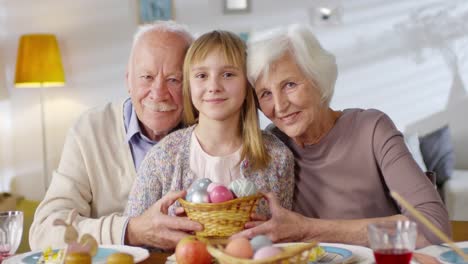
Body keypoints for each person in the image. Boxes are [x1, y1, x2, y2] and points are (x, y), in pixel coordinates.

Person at [235, 24, 450, 247]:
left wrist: (307, 229)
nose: (280, 106)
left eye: (289, 85)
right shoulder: (272, 147)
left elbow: (432, 228)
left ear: (318, 79)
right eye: (266, 93)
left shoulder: (372, 130)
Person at [29, 21, 203, 250]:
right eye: (147, 77)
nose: (159, 93)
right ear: (128, 80)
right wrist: (130, 231)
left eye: (174, 79)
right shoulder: (90, 130)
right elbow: (44, 232)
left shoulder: (209, 132)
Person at [125, 30, 295, 249]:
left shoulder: (277, 157)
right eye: (202, 75)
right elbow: (133, 235)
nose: (214, 86)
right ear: (189, 85)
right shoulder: (163, 155)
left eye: (228, 74)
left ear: (247, 85)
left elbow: (285, 240)